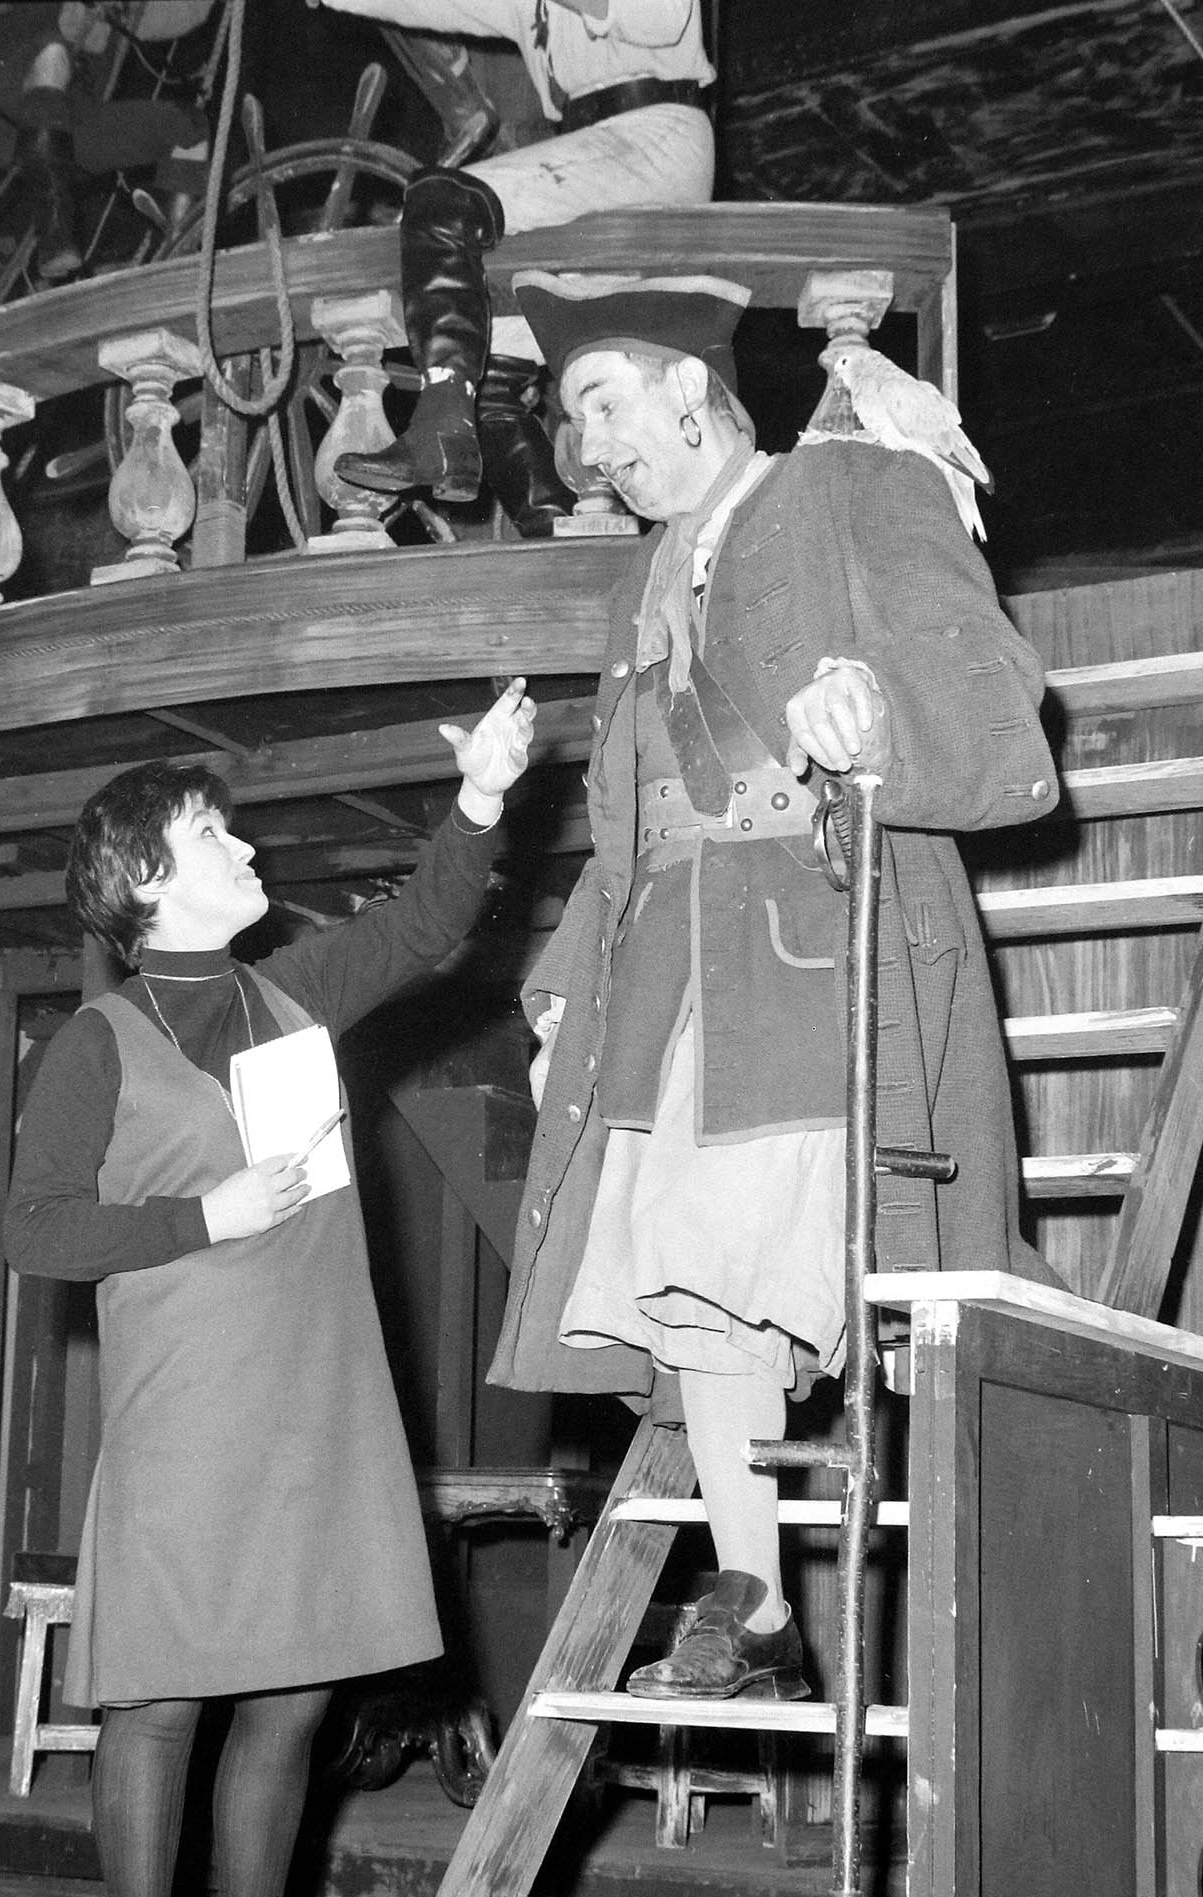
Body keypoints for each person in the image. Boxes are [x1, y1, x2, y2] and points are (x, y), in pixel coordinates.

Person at [486, 272, 1060, 1697]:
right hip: (675, 963)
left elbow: (999, 707)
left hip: (821, 943)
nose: (586, 449)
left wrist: (867, 721)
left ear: (692, 385)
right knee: (683, 1270)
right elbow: (631, 811)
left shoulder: (849, 482)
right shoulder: (648, 569)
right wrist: (568, 970)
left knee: (734, 1243)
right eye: (574, 424)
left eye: (601, 406)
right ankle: (750, 1596)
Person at [3, 678, 535, 1897]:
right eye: (213, 838)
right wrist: (204, 1216)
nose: (249, 849)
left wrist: (482, 797)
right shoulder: (97, 1040)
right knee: (164, 1702)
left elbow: (428, 924)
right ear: (143, 877)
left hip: (320, 1393)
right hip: (187, 1408)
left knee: (295, 1699)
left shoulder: (291, 989)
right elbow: (36, 1227)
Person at [314, 0, 715, 534]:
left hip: (656, 137)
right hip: (597, 154)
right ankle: (551, 529)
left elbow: (660, 18)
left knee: (439, 199)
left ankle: (439, 425)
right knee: (484, 369)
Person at [0, 2, 216, 283]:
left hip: (69, 134)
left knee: (186, 126)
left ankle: (179, 247)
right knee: (54, 54)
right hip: (3, 109)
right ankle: (54, 233)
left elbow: (189, 12)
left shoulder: (127, 11)